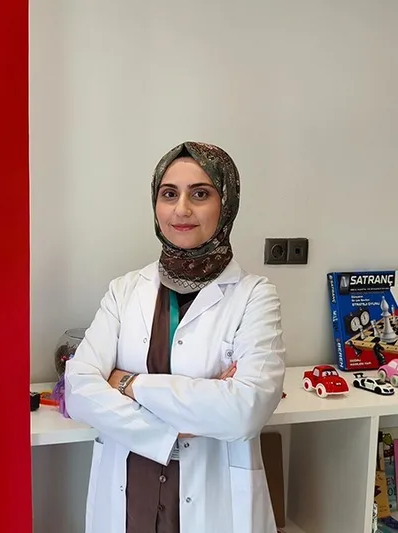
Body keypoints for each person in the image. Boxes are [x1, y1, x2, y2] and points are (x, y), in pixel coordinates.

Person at [64, 141, 287, 533]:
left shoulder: (255, 296)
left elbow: (244, 412)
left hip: (215, 503)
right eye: (169, 194)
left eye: (200, 194)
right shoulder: (124, 290)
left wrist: (127, 383)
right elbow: (79, 390)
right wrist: (174, 427)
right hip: (129, 495)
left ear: (226, 204)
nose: (181, 209)